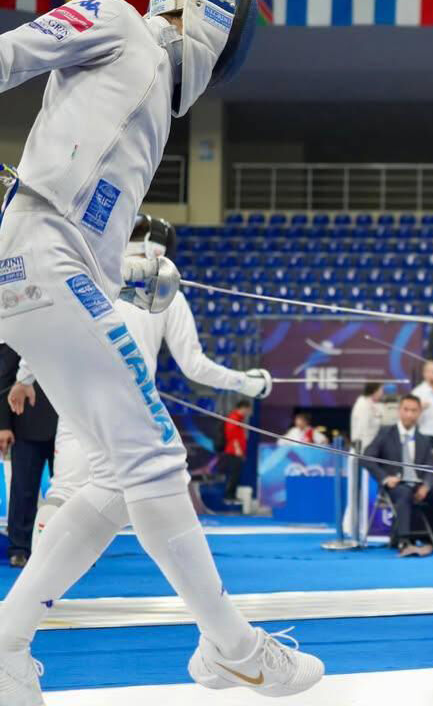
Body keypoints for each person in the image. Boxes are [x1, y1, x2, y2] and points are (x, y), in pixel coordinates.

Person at [0, 0, 324, 702]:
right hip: (42, 256)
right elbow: (10, 55)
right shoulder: (119, 19)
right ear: (202, 12)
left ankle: (7, 644)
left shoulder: (146, 100)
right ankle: (234, 648)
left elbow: (88, 208)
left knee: (118, 480)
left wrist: (125, 275)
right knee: (153, 457)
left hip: (56, 271)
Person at [13, 217, 272, 546]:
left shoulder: (90, 277)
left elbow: (48, 328)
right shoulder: (168, 293)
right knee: (158, 490)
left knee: (65, 490)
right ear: (160, 250)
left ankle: (43, 570)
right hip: (130, 404)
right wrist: (246, 383)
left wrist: (24, 377)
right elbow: (194, 366)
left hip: (77, 398)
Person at [365, 395, 433, 555]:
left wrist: (426, 486)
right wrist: (385, 478)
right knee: (404, 492)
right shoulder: (385, 433)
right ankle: (404, 540)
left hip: (418, 485)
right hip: (395, 486)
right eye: (406, 410)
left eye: (414, 411)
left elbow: (430, 467)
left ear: (419, 413)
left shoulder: (423, 439)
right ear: (399, 410)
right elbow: (367, 458)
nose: (409, 414)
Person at [0, 345, 58, 568]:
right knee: (23, 489)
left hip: (69, 426)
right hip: (25, 423)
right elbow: (4, 379)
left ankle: (71, 548)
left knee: (71, 490)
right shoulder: (21, 337)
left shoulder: (73, 337)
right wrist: (3, 425)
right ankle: (19, 548)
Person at [344, 382, 385, 534]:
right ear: (374, 391)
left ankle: (363, 525)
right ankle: (351, 526)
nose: (382, 393)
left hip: (370, 453)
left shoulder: (373, 405)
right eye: (381, 390)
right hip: (360, 452)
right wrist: (364, 452)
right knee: (355, 491)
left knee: (364, 492)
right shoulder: (362, 405)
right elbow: (361, 431)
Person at [222, 400, 254, 503]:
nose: (249, 412)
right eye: (249, 409)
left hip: (237, 451)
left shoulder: (239, 419)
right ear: (244, 408)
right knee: (234, 475)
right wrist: (237, 449)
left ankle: (231, 495)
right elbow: (231, 435)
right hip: (233, 452)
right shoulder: (233, 418)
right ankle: (229, 495)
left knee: (236, 474)